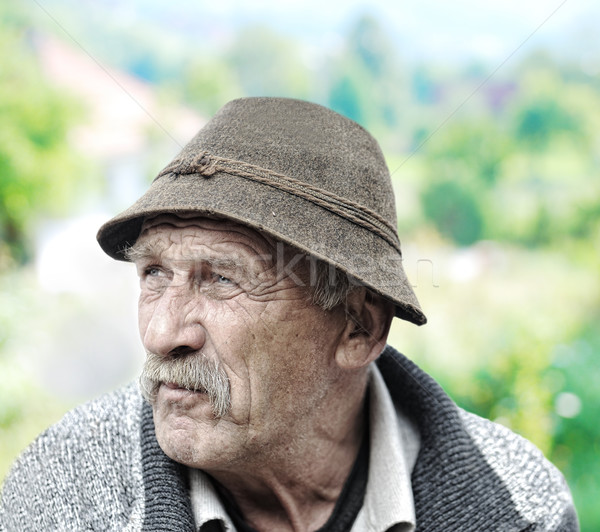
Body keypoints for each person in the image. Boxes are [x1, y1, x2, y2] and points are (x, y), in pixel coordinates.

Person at [0, 98, 578, 532]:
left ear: (359, 326)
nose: (160, 333)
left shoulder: (517, 506)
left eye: (222, 278)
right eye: (154, 274)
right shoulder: (62, 497)